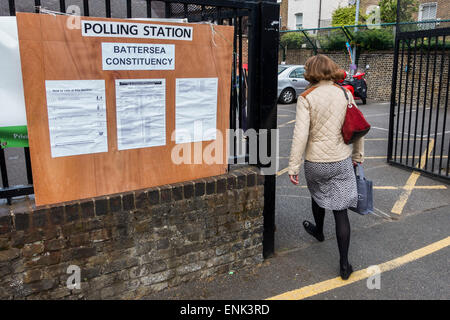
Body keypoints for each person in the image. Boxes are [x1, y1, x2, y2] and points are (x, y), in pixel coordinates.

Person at [287, 54, 364, 280]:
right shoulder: (345, 92)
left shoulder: (306, 97)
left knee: (318, 194)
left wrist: (293, 167)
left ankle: (319, 231)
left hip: (315, 162)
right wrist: (358, 155)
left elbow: (300, 135)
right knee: (340, 213)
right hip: (341, 160)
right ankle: (344, 265)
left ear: (311, 71)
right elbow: (357, 125)